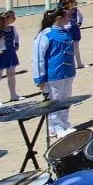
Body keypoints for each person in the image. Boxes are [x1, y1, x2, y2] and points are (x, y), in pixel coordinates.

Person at [33, 8, 76, 138]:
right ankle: (55, 126)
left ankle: (64, 123)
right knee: (55, 100)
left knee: (65, 99)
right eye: (67, 16)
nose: (69, 18)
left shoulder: (65, 32)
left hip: (67, 72)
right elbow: (38, 57)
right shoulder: (45, 34)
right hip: (54, 73)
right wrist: (39, 78)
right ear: (58, 18)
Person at [60, 0, 87, 69]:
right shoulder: (63, 11)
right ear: (69, 3)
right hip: (66, 31)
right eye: (73, 2)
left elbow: (81, 17)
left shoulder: (76, 10)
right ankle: (67, 64)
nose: (75, 4)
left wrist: (79, 23)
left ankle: (79, 63)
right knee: (66, 48)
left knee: (76, 47)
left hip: (75, 29)